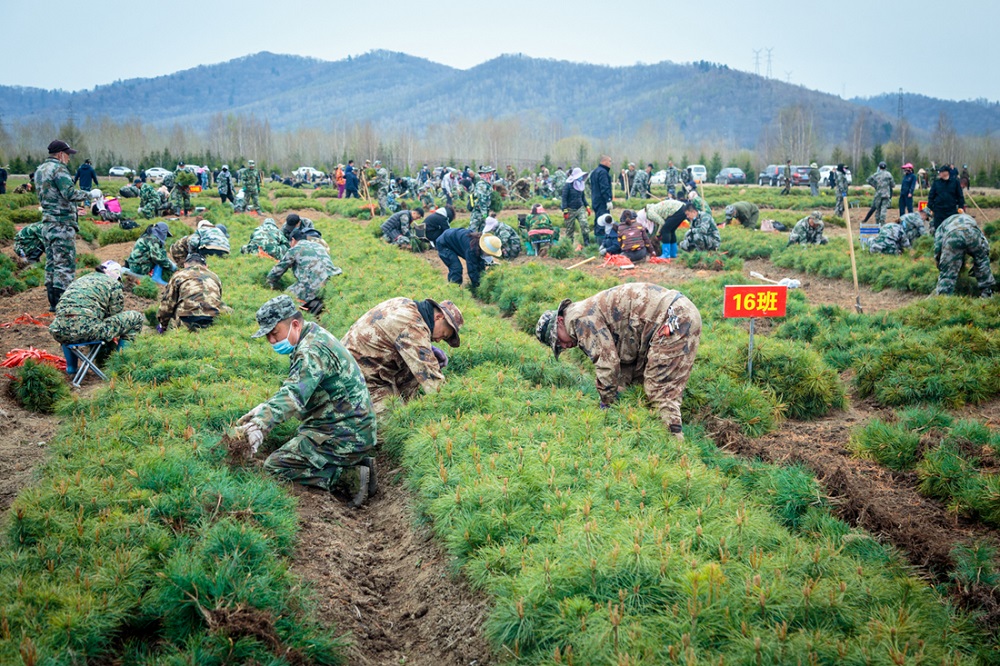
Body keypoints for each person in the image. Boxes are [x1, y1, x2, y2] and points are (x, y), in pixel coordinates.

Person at [236, 295, 377, 507]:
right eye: (267, 336)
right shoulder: (312, 335)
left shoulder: (311, 350)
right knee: (296, 443)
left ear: (294, 324)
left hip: (346, 434)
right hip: (348, 426)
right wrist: (265, 408)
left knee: (275, 466)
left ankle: (350, 476)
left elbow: (295, 393)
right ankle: (350, 462)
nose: (272, 341)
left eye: (274, 333)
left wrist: (260, 424)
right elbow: (299, 388)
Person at [534, 283, 701, 439]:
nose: (564, 346)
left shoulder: (578, 319)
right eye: (559, 347)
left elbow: (608, 364)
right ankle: (645, 437)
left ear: (560, 321)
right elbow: (624, 361)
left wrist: (606, 402)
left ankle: (673, 447)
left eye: (559, 341)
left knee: (660, 390)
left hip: (673, 319)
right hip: (677, 313)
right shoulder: (581, 314)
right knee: (638, 386)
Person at [342, 297, 464, 417]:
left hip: (364, 364)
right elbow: (432, 378)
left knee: (412, 372)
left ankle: (409, 409)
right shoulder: (412, 325)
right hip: (355, 376)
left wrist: (427, 348)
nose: (438, 340)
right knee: (392, 420)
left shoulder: (406, 304)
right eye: (443, 335)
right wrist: (453, 407)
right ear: (439, 317)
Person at [49, 260, 143, 374]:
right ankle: (119, 366)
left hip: (59, 331)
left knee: (68, 322)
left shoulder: (81, 280)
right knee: (135, 318)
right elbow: (115, 314)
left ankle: (71, 368)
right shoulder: (113, 283)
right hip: (88, 330)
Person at [35, 140, 89, 311]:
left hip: (48, 223)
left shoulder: (40, 170)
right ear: (60, 154)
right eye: (67, 154)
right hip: (62, 224)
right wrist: (89, 195)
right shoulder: (58, 169)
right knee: (64, 263)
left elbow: (52, 195)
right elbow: (69, 193)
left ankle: (53, 301)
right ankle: (64, 304)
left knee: (51, 263)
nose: (69, 158)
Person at [267, 227, 342, 315]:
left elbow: (277, 270)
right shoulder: (318, 246)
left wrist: (269, 283)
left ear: (293, 240)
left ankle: (310, 307)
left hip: (315, 285)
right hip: (333, 280)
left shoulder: (295, 249)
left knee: (287, 295)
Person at [156, 252, 225, 331]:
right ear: (206, 266)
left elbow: (167, 304)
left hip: (187, 319)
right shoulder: (214, 277)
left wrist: (163, 325)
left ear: (185, 265)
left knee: (176, 305)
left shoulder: (178, 276)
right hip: (212, 317)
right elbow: (218, 298)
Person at [933, 214, 994, 297]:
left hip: (954, 236)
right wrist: (983, 256)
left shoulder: (942, 226)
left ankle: (944, 298)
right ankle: (987, 293)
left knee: (948, 273)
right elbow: (983, 241)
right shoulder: (968, 218)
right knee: (982, 263)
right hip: (972, 233)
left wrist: (940, 263)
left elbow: (938, 247)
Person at [927, 164, 965, 233]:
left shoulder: (955, 182)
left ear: (946, 172)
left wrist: (960, 207)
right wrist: (931, 207)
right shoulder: (936, 183)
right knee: (938, 230)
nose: (939, 174)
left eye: (941, 172)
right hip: (939, 211)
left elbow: (960, 196)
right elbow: (931, 196)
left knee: (951, 230)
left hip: (951, 211)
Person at [561, 167, 591, 246]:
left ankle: (587, 243)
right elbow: (564, 198)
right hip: (570, 209)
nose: (580, 178)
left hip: (580, 208)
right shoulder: (568, 185)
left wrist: (587, 206)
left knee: (584, 224)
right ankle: (569, 245)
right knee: (570, 230)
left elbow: (583, 197)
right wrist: (565, 210)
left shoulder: (581, 185)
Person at [590, 155, 613, 242]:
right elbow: (604, 187)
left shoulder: (594, 172)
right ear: (604, 161)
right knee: (603, 222)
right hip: (602, 202)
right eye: (609, 161)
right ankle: (601, 243)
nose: (610, 163)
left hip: (595, 200)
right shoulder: (603, 172)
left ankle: (596, 240)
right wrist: (608, 200)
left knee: (597, 220)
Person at [467, 166, 495, 233]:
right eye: (489, 173)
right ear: (484, 174)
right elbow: (482, 199)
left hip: (484, 212)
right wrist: (484, 214)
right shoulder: (481, 184)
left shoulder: (487, 184)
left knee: (482, 232)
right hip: (478, 212)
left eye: (491, 173)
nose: (491, 175)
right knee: (471, 231)